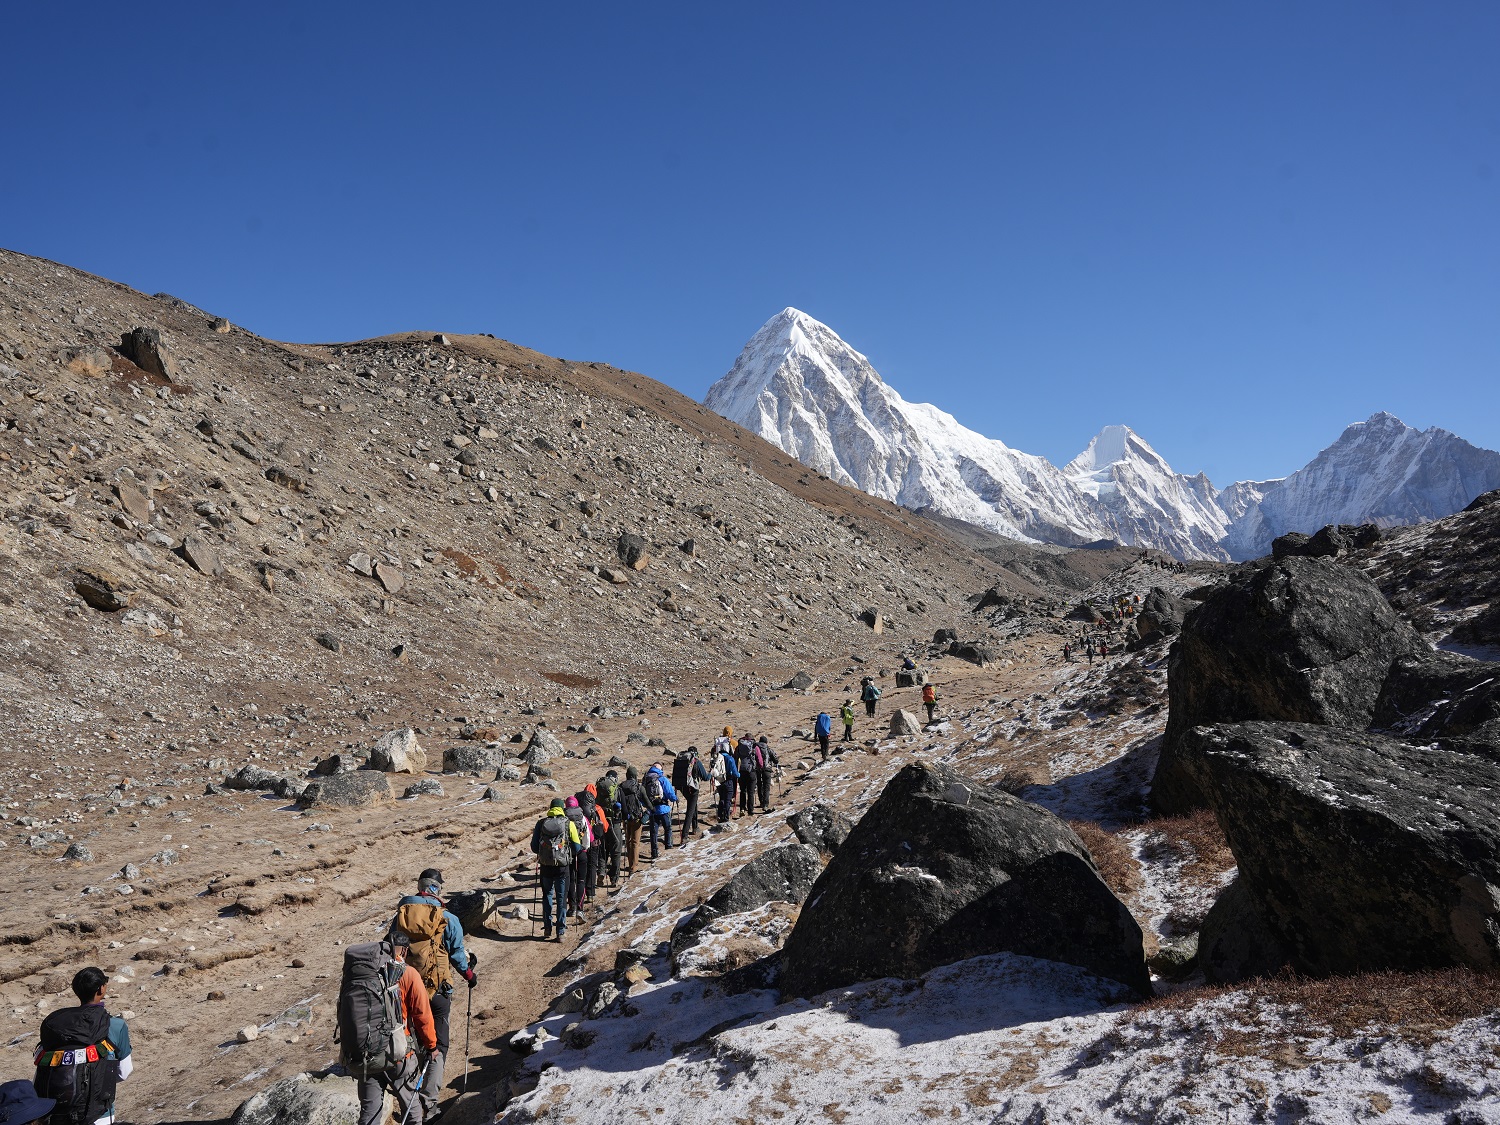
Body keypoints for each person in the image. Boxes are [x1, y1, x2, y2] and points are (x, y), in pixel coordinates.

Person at [388, 868, 475, 1121]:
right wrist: (470, 976)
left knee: (412, 1044)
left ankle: (410, 1102)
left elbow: (389, 948)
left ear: (420, 886)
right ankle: (429, 1103)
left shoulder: (401, 916)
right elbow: (457, 954)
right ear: (437, 889)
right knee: (438, 1045)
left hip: (405, 990)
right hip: (437, 991)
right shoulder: (447, 917)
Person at [349, 933, 438, 1125]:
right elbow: (423, 1015)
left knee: (370, 1110)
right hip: (398, 1054)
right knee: (411, 1106)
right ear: (404, 950)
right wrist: (431, 1046)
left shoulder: (362, 973)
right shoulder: (407, 973)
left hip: (366, 1053)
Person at [33, 967, 132, 1125]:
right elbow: (125, 1072)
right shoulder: (115, 1025)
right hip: (99, 1113)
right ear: (101, 989)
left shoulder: (57, 1024)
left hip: (54, 1113)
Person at [530, 798, 580, 939]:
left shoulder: (541, 823)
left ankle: (547, 927)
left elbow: (534, 847)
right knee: (561, 897)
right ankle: (560, 931)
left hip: (545, 866)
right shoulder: (568, 824)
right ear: (562, 809)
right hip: (562, 868)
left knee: (547, 896)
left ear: (551, 808)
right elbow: (577, 847)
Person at [563, 796, 594, 918]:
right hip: (581, 853)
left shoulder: (564, 818)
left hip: (568, 854)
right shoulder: (583, 817)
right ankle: (580, 909)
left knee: (570, 880)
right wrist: (585, 848)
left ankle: (572, 907)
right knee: (581, 880)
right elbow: (589, 837)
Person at [578, 786, 610, 900]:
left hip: (580, 844)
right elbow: (605, 827)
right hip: (594, 842)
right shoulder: (597, 809)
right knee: (592, 866)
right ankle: (590, 893)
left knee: (581, 867)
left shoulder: (577, 809)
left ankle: (579, 893)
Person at [594, 771, 623, 887]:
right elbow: (623, 806)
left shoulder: (599, 787)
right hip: (614, 823)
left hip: (601, 823)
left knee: (603, 850)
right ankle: (614, 878)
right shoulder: (617, 789)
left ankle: (601, 872)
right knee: (616, 850)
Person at [617, 766, 647, 875]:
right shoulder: (639, 787)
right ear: (635, 776)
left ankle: (630, 864)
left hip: (625, 818)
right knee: (635, 842)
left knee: (629, 841)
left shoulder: (621, 787)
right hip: (637, 818)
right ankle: (633, 867)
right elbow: (647, 803)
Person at [644, 761, 678, 858]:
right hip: (663, 808)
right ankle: (668, 846)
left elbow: (642, 795)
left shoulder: (646, 779)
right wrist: (675, 798)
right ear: (660, 769)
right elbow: (670, 793)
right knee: (668, 828)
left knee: (653, 832)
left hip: (652, 810)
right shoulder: (662, 778)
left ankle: (654, 853)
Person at [713, 743, 738, 823]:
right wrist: (738, 775)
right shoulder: (730, 758)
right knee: (728, 799)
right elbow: (735, 772)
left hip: (719, 781)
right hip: (728, 780)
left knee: (722, 798)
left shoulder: (717, 758)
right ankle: (726, 816)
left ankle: (720, 815)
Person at [734, 736, 758, 817]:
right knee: (751, 792)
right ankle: (750, 811)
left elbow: (735, 758)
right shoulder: (754, 746)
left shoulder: (739, 747)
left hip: (741, 771)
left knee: (743, 791)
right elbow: (759, 759)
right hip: (751, 771)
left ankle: (742, 809)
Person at [755, 735, 779, 811]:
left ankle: (761, 802)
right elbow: (776, 760)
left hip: (758, 769)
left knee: (759, 785)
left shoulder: (755, 748)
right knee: (766, 786)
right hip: (767, 769)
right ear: (766, 742)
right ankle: (765, 804)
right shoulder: (768, 749)